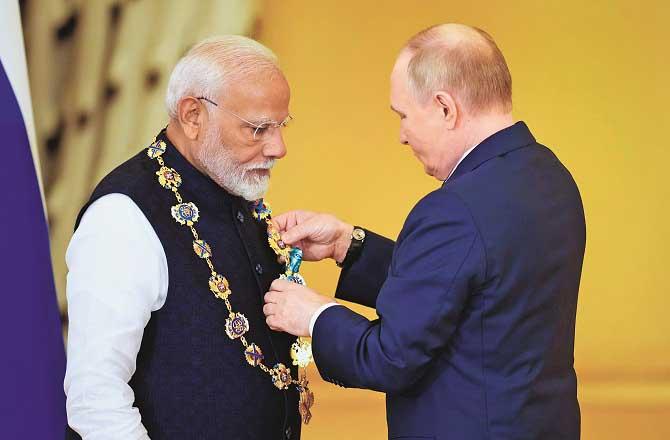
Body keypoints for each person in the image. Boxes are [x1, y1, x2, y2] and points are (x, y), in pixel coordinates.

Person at [263, 23, 586, 439]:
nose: (401, 135)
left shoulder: (454, 208)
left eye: (403, 115)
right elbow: (469, 292)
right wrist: (348, 244)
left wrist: (314, 315)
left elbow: (391, 359)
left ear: (444, 108)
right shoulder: (550, 176)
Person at [64, 35, 307, 439]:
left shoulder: (234, 190)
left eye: (282, 126)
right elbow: (96, 395)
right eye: (259, 129)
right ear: (193, 115)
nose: (279, 147)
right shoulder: (122, 215)